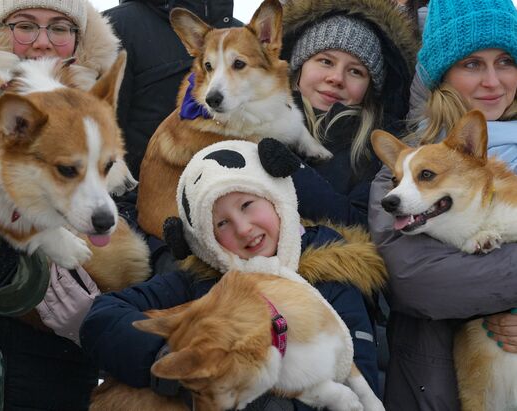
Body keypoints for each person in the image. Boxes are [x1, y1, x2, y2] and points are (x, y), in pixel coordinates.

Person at [80, 139, 387, 410]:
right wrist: (181, 359)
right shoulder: (200, 280)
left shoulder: (335, 278)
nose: (243, 228)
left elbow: (357, 381)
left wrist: (265, 400)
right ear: (205, 240)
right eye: (221, 224)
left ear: (278, 199)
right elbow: (102, 319)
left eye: (248, 205)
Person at [0, 0, 120, 409]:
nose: (42, 43)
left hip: (62, 352)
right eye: (25, 25)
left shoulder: (96, 114)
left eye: (60, 28)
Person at [368, 0, 517, 409]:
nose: (492, 81)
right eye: (471, 64)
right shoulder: (403, 172)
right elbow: (419, 281)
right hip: (436, 392)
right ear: (442, 75)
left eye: (505, 61)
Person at [280, 0, 419, 227]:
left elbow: (362, 224)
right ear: (298, 67)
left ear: (369, 89)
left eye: (355, 71)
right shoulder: (247, 121)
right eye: (325, 61)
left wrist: (291, 168)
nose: (336, 78)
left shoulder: (381, 147)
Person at [103, 0, 239, 178]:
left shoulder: (246, 36)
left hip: (237, 196)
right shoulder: (115, 27)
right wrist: (126, 201)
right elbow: (100, 135)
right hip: (145, 198)